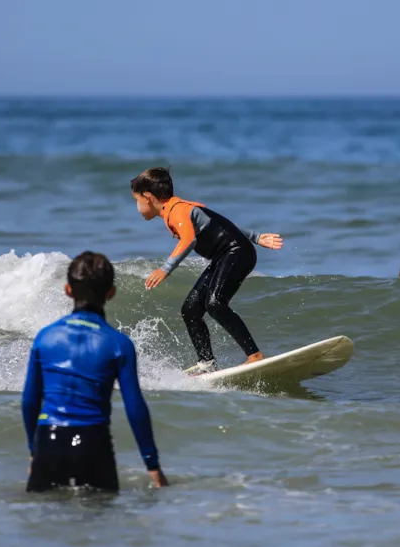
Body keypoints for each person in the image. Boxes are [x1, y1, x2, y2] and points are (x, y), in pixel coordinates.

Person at [21, 251, 168, 492]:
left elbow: (29, 401)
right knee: (101, 523)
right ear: (111, 292)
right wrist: (152, 464)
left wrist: (32, 450)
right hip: (93, 444)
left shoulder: (45, 338)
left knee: (45, 522)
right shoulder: (118, 344)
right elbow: (135, 408)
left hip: (49, 441)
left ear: (68, 290)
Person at [130, 167, 283, 375]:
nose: (137, 207)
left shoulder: (177, 211)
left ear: (147, 197)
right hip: (225, 256)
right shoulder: (178, 208)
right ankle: (206, 364)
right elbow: (219, 222)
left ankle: (254, 355)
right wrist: (255, 236)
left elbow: (189, 239)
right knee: (190, 309)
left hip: (237, 253)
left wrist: (165, 269)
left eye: (136, 200)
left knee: (215, 303)